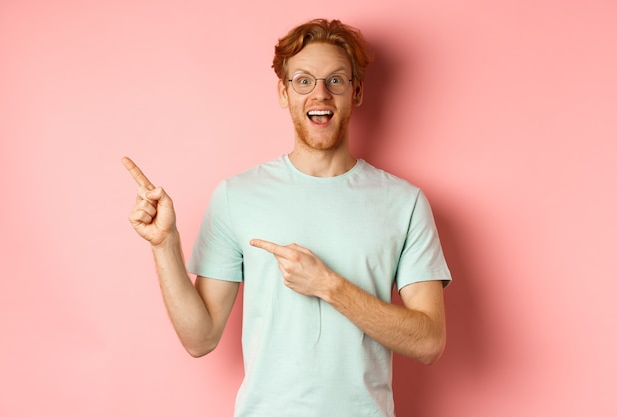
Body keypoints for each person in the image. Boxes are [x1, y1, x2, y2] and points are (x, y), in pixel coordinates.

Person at [123, 18, 451, 417]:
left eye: (336, 81)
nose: (320, 94)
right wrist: (164, 245)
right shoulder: (236, 196)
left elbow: (429, 341)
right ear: (284, 92)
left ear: (356, 92)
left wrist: (329, 286)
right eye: (303, 81)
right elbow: (200, 338)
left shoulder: (404, 202)